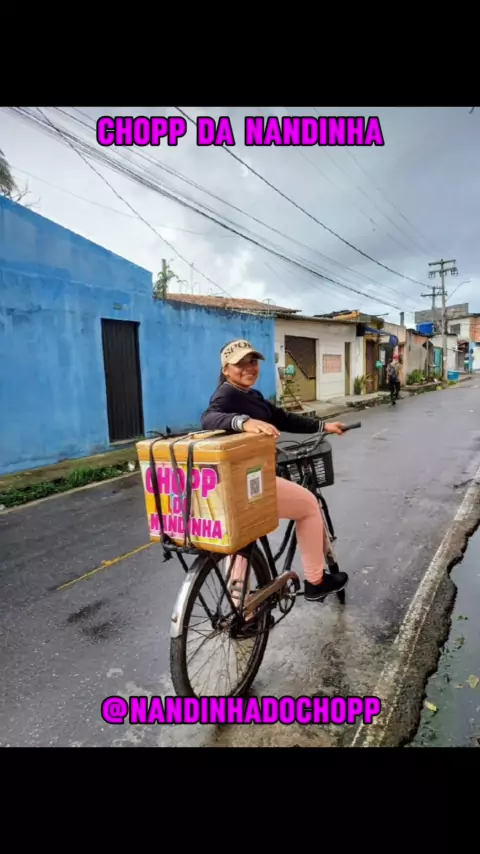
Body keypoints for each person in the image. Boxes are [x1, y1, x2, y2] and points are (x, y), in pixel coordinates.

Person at [200, 339, 349, 606]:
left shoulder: (252, 396)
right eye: (240, 363)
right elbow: (209, 417)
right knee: (309, 505)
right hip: (248, 482)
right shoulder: (227, 394)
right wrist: (244, 422)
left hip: (237, 484)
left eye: (253, 361)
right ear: (226, 370)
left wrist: (323, 426)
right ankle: (316, 581)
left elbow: (283, 419)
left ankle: (241, 610)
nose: (249, 367)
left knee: (240, 541)